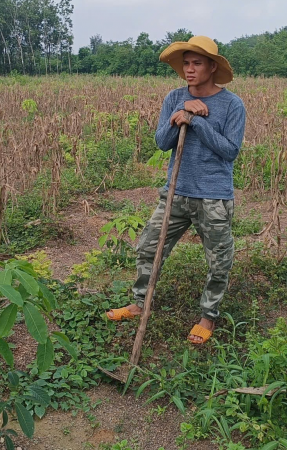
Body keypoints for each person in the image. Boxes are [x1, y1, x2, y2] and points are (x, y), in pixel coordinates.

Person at [105, 35, 246, 345]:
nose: (190, 69)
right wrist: (178, 116)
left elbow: (229, 151)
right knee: (148, 246)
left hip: (213, 195)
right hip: (176, 191)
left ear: (212, 67)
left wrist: (197, 122)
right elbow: (162, 142)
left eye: (197, 63)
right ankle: (140, 302)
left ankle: (208, 316)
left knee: (219, 259)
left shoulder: (232, 104)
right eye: (186, 63)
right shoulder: (173, 97)